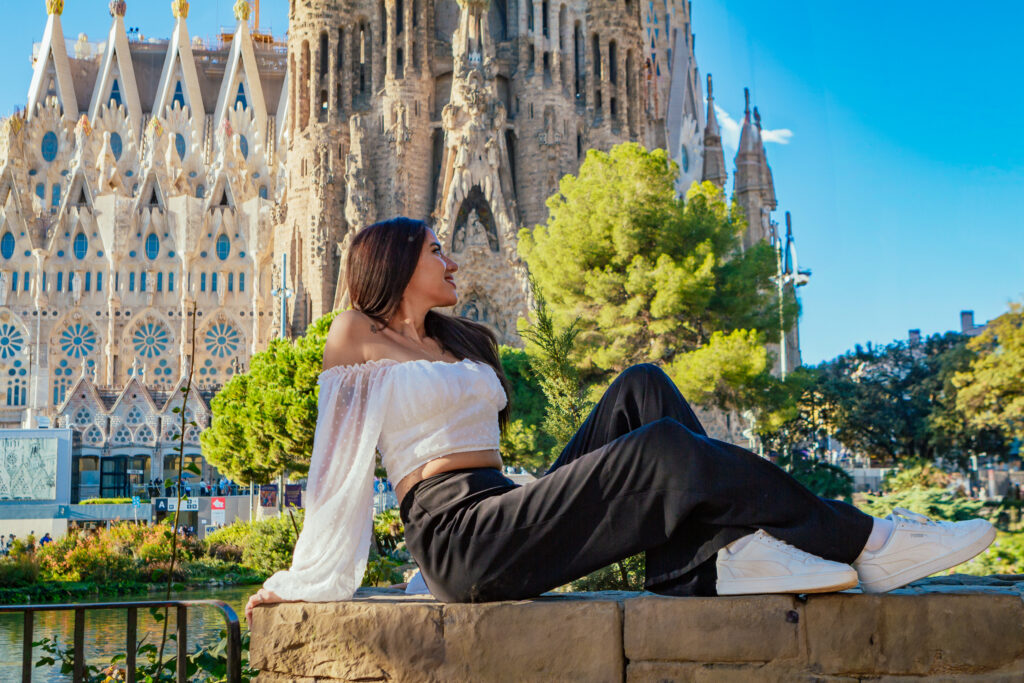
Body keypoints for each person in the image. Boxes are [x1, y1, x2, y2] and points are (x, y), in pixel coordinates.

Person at [245, 217, 995, 620]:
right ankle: (871, 539)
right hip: (458, 538)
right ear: (396, 260)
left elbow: (484, 450)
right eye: (436, 249)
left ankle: (704, 562)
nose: (453, 261)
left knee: (642, 387)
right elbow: (336, 464)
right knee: (663, 448)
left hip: (504, 503)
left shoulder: (464, 339)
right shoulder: (355, 336)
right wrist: (310, 576)